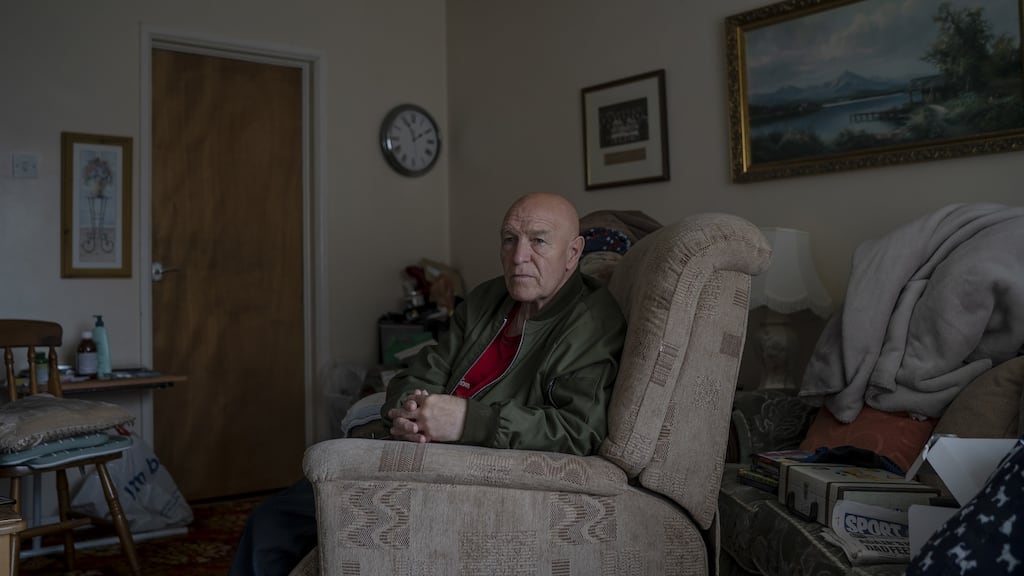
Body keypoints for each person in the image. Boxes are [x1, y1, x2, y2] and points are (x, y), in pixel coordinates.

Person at [229, 192, 627, 576]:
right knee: (273, 520)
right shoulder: (489, 298)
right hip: (415, 447)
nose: (519, 256)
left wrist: (468, 421)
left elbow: (579, 429)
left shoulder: (592, 323)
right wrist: (406, 409)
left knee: (277, 524)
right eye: (510, 239)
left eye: (538, 241)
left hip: (468, 468)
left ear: (573, 253)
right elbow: (425, 368)